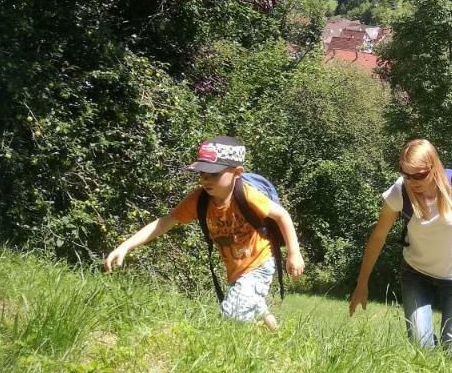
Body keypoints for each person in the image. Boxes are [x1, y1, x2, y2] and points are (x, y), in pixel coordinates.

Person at [104, 136, 304, 329]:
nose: (205, 179)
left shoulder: (247, 195)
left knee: (233, 314)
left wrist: (294, 254)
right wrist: (126, 245)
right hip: (236, 268)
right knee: (248, 298)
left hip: (260, 261)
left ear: (237, 172)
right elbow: (164, 223)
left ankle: (235, 349)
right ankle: (274, 332)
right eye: (202, 173)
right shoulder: (199, 200)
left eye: (214, 174)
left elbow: (282, 215)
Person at [349, 138, 452, 362]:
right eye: (406, 174)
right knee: (420, 344)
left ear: (433, 167)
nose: (412, 181)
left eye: (418, 175)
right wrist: (361, 283)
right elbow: (378, 238)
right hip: (416, 274)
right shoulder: (399, 192)